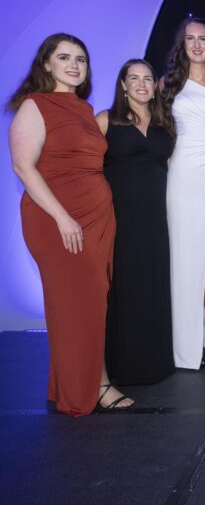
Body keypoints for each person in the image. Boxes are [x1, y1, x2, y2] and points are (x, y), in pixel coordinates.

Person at [8, 33, 132, 415]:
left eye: (81, 58)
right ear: (46, 64)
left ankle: (67, 384)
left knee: (86, 303)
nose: (74, 65)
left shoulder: (82, 108)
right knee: (80, 305)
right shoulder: (35, 104)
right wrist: (63, 217)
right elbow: (23, 167)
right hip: (58, 219)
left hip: (96, 218)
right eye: (64, 57)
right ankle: (96, 386)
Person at [97, 59, 175, 385]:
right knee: (124, 286)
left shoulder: (163, 123)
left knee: (153, 283)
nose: (142, 84)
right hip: (120, 217)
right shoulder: (106, 119)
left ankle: (154, 363)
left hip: (156, 216)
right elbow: (86, 164)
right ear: (123, 84)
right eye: (134, 78)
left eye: (148, 78)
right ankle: (122, 367)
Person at [162, 17, 205, 369]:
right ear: (182, 45)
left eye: (202, 38)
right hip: (182, 180)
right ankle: (184, 344)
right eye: (189, 38)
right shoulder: (168, 84)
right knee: (185, 265)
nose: (196, 44)